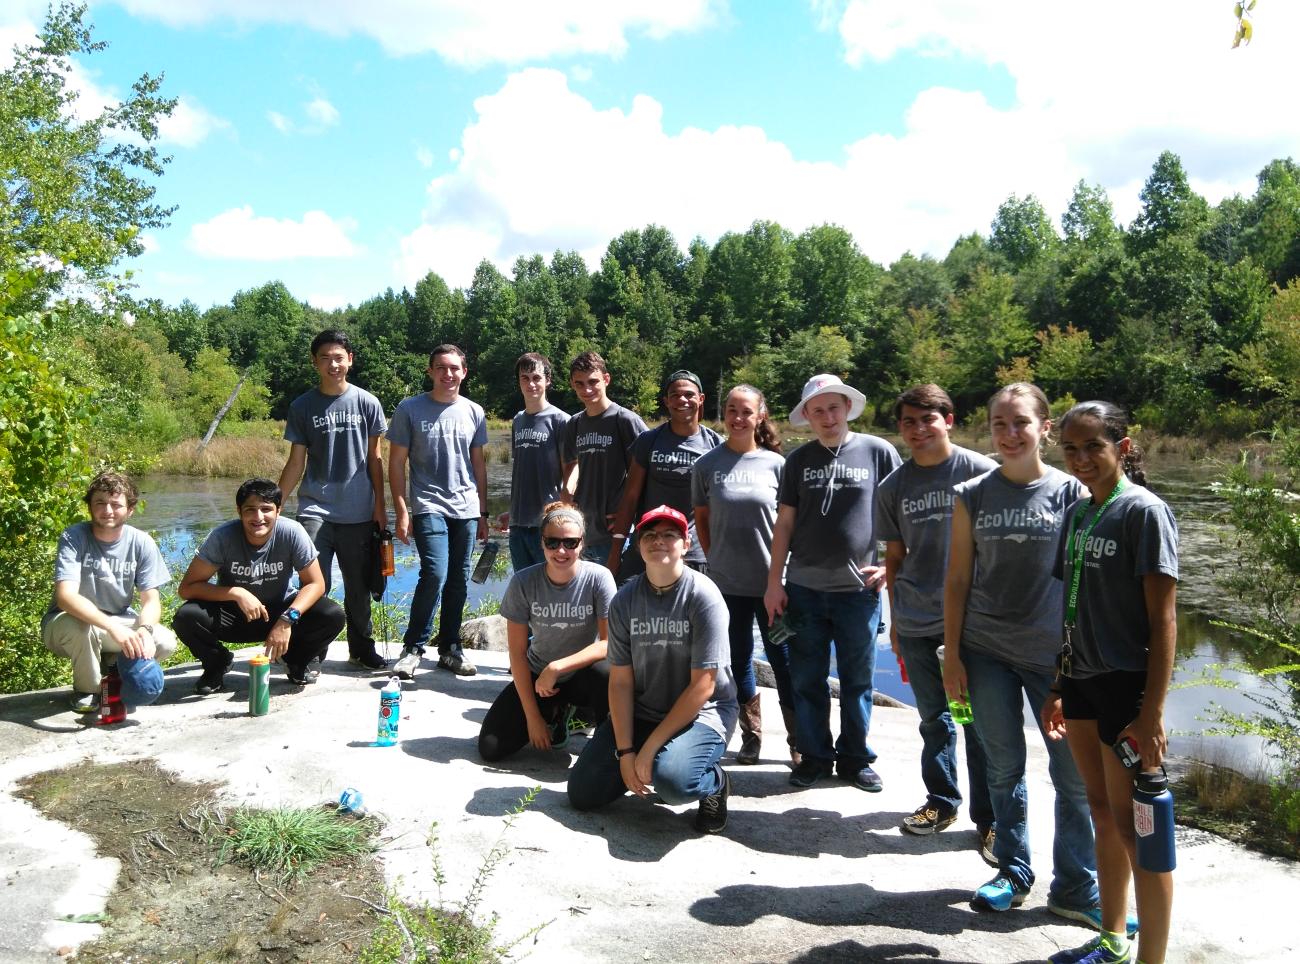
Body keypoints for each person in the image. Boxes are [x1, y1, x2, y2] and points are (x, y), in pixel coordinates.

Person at [942, 383, 1108, 926]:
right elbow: (959, 579)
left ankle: (1076, 888)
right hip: (984, 650)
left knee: (1075, 777)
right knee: (1003, 766)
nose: (1009, 434)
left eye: (1020, 423)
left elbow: (1090, 588)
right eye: (999, 424)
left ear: (1045, 428)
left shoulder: (1072, 495)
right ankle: (1013, 871)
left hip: (1054, 661)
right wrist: (952, 657)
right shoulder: (972, 494)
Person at [1043, 402, 1178, 964]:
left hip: (1126, 689)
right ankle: (1114, 939)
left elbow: (1163, 621)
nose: (1080, 460)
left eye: (1092, 447)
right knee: (1099, 809)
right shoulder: (1078, 514)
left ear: (1121, 447)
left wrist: (1150, 714)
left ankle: (1152, 959)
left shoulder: (1144, 513)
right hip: (1080, 683)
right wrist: (1057, 681)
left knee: (1138, 830)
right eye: (1070, 449)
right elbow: (1070, 607)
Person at [764, 374, 901, 791]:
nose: (827, 416)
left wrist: (888, 567)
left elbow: (897, 516)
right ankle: (815, 756)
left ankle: (856, 758)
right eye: (817, 410)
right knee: (807, 679)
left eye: (834, 407)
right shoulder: (798, 461)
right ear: (807, 415)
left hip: (859, 593)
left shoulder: (878, 452)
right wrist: (775, 581)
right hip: (804, 589)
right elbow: (784, 524)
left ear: (848, 408)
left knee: (859, 681)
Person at [876, 384, 997, 857]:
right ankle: (941, 800)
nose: (917, 429)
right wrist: (897, 627)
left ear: (948, 419)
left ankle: (989, 820)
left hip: (975, 624)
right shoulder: (894, 487)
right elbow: (895, 557)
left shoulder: (982, 473)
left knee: (980, 725)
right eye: (908, 421)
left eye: (928, 418)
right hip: (918, 619)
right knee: (934, 719)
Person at [567, 505, 738, 834]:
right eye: (649, 535)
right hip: (646, 712)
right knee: (583, 794)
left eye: (670, 535)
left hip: (704, 714)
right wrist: (627, 752)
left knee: (673, 783)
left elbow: (703, 686)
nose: (659, 541)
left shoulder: (704, 596)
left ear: (685, 545)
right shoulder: (625, 601)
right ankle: (653, 765)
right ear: (639, 544)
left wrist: (647, 751)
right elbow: (619, 682)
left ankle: (715, 783)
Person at [693, 384, 796, 766]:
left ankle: (797, 740)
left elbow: (788, 524)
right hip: (727, 585)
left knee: (784, 661)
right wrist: (716, 557)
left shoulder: (778, 465)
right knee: (738, 661)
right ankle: (751, 736)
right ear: (724, 414)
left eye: (746, 411)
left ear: (760, 415)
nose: (738, 418)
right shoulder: (706, 465)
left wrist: (782, 576)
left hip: (773, 586)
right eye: (732, 410)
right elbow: (702, 521)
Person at [277, 329, 388, 671]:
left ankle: (361, 647)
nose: (332, 364)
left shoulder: (367, 403)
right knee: (313, 583)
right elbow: (297, 461)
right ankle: (311, 650)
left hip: (358, 510)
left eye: (339, 357)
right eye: (324, 358)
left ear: (350, 361)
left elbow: (375, 459)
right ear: (315, 363)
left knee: (358, 587)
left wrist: (380, 507)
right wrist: (276, 504)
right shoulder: (302, 406)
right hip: (314, 509)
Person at [174, 478, 345, 693]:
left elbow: (316, 583)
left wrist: (287, 619)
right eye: (250, 510)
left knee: (332, 614)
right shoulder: (222, 537)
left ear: (278, 510)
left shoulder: (292, 532)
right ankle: (217, 663)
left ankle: (294, 660)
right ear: (239, 511)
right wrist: (236, 592)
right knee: (186, 617)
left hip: (279, 610)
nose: (258, 517)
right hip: (235, 616)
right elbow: (187, 588)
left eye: (266, 509)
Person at [478, 502, 616, 762]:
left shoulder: (599, 578)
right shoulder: (523, 582)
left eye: (570, 543)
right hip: (538, 677)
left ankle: (603, 741)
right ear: (541, 543)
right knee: (491, 747)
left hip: (581, 674)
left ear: (582, 543)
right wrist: (532, 718)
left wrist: (556, 668)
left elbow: (609, 644)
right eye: (552, 543)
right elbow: (518, 654)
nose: (561, 551)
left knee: (608, 672)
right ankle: (554, 712)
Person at [388, 344, 489, 680]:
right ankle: (413, 648)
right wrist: (402, 511)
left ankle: (450, 648)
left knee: (459, 580)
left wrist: (484, 513)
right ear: (430, 371)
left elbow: (478, 466)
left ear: (464, 372)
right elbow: (396, 463)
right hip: (428, 504)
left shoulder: (474, 411)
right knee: (435, 573)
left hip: (466, 508)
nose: (448, 374)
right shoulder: (409, 409)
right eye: (441, 368)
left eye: (454, 368)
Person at [42, 471, 178, 713]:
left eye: (116, 504)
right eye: (100, 503)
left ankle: (115, 668)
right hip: (65, 624)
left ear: (130, 509)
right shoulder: (74, 537)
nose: (108, 510)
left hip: (116, 621)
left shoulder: (142, 542)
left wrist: (144, 630)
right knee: (81, 628)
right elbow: (66, 597)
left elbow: (151, 601)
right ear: (90, 507)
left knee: (164, 641)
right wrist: (113, 628)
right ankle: (88, 690)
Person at [608, 370, 721, 581]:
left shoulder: (715, 445)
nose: (682, 400)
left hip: (695, 552)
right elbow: (630, 498)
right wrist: (615, 554)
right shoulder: (648, 441)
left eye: (689, 394)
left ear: (701, 399)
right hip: (647, 547)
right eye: (675, 395)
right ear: (666, 401)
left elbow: (721, 506)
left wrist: (719, 556)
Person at [560, 351, 647, 566]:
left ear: (606, 379)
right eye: (579, 384)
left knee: (615, 596)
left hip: (615, 534)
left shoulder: (625, 420)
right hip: (581, 531)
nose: (586, 389)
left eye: (593, 382)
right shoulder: (574, 424)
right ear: (572, 384)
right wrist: (567, 494)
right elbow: (571, 464)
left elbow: (646, 474)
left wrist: (629, 514)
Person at [500, 352, 570, 573]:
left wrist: (564, 512)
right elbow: (522, 470)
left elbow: (571, 470)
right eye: (525, 378)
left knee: (552, 585)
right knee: (525, 587)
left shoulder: (561, 420)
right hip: (518, 524)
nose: (531, 383)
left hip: (547, 522)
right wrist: (511, 511)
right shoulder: (518, 420)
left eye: (536, 377)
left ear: (547, 380)